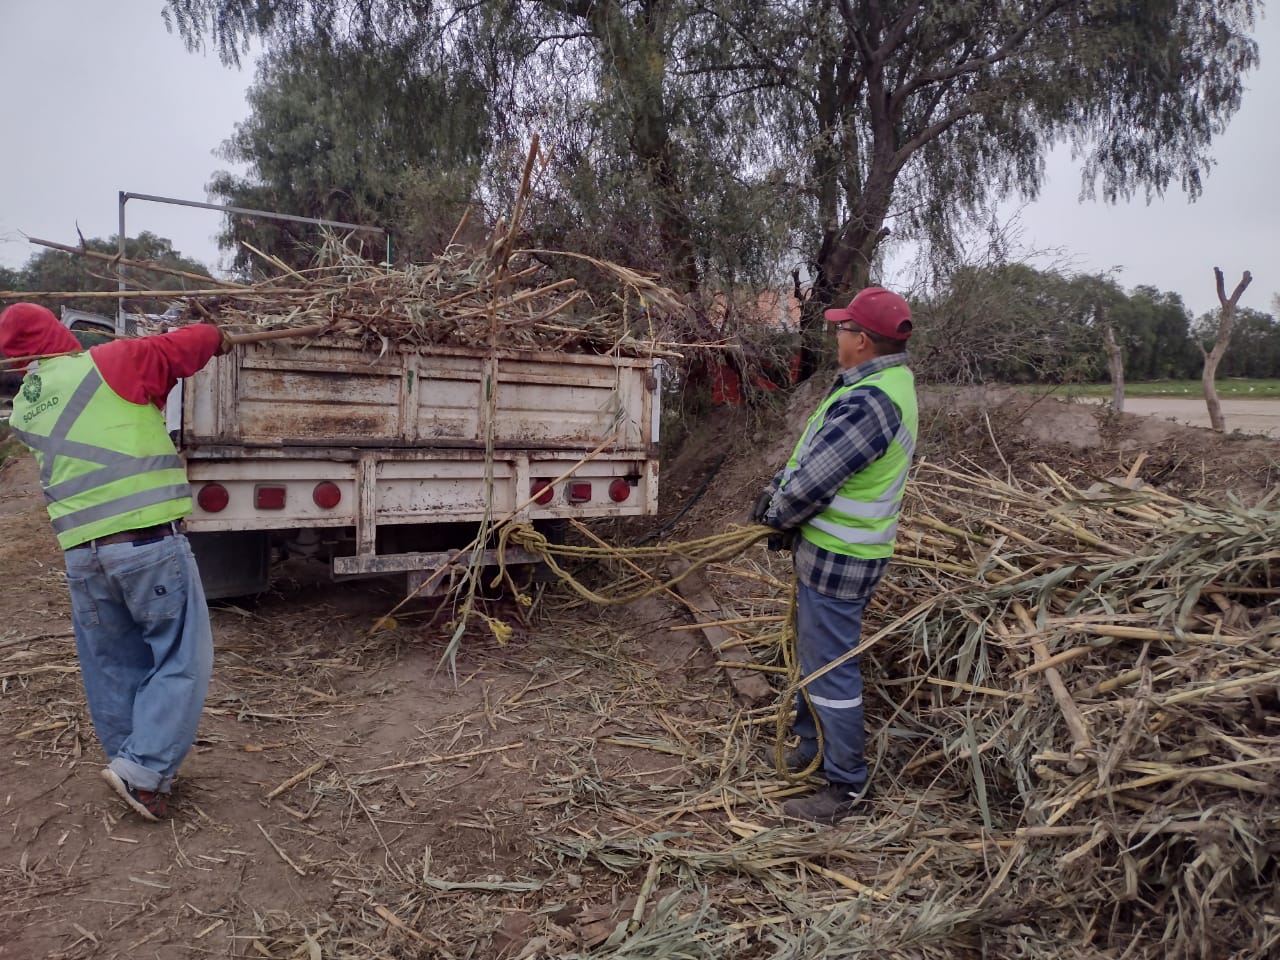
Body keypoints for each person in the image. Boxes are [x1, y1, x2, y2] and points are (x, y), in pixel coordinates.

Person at [0, 302, 229, 822]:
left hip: (83, 555)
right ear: (60, 334)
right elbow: (185, 347)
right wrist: (219, 334)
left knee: (112, 663)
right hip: (146, 545)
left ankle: (133, 767)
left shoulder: (25, 409)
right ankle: (143, 770)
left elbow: (133, 406)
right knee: (180, 659)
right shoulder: (107, 362)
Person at [752, 286, 917, 825]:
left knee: (831, 671)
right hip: (830, 551)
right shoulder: (878, 384)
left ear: (863, 341)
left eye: (843, 328)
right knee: (816, 658)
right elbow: (812, 461)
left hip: (840, 558)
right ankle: (810, 746)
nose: (837, 335)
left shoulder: (872, 401)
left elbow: (815, 482)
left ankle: (845, 787)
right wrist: (784, 504)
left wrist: (777, 513)